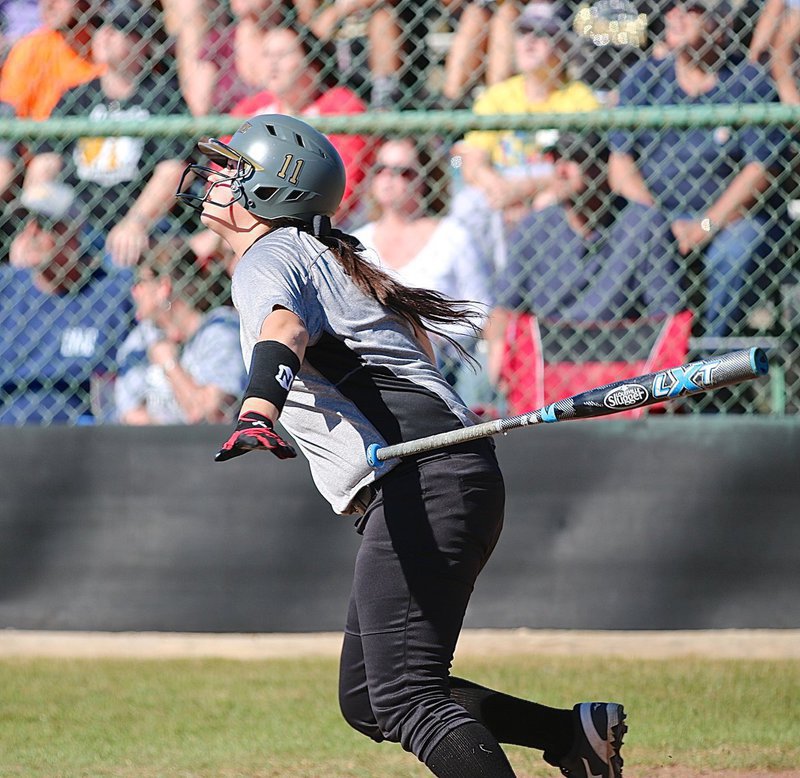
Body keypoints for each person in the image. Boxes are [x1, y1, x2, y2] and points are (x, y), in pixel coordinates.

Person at [176, 112, 627, 777]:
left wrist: (258, 409)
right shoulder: (331, 255)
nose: (217, 180)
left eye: (234, 170)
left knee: (408, 695)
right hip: (440, 475)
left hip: (423, 478)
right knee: (369, 698)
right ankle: (571, 736)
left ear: (271, 190)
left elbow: (285, 328)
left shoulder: (269, 255)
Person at [608, 0, 791, 337]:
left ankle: (707, 352)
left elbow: (760, 169)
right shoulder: (644, 78)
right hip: (658, 216)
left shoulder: (748, 82)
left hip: (725, 220)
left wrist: (704, 226)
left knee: (739, 245)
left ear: (720, 24)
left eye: (690, 7)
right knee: (634, 231)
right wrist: (662, 223)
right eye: (669, 6)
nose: (674, 15)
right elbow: (620, 167)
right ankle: (658, 348)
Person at [20, 0, 193, 268]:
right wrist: (35, 225)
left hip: (134, 220)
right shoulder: (76, 97)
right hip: (73, 224)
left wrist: (136, 222)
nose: (105, 34)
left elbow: (173, 169)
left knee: (129, 252)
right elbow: (45, 163)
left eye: (120, 27)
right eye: (100, 26)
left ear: (143, 44)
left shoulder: (163, 97)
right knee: (26, 255)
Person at [451, 2, 599, 270]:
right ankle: (479, 299)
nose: (529, 41)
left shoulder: (580, 99)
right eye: (524, 32)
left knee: (548, 202)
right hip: (500, 193)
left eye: (543, 34)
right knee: (468, 204)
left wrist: (520, 190)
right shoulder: (498, 95)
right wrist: (502, 191)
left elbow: (577, 175)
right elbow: (472, 163)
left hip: (546, 194)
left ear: (564, 46)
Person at [352, 136, 493, 405]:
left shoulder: (452, 235)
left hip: (443, 361)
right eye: (381, 169)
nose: (389, 178)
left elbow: (481, 311)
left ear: (424, 180)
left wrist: (431, 335)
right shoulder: (358, 243)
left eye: (403, 172)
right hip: (375, 360)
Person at [0, 181, 133, 424]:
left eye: (42, 224)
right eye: (25, 223)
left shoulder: (111, 293)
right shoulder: (6, 287)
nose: (30, 233)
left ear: (73, 232)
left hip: (80, 430)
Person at [232, 23, 371, 225]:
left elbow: (347, 185)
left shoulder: (341, 106)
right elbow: (223, 171)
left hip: (331, 226)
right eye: (267, 54)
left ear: (313, 63)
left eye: (282, 54)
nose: (272, 63)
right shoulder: (251, 109)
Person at [115, 239, 246, 424]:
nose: (134, 291)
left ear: (163, 287)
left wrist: (170, 365)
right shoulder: (140, 338)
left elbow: (214, 414)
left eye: (141, 282)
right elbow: (131, 416)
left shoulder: (221, 331)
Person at [0, 0, 102, 119]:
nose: (48, 4)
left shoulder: (114, 45)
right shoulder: (32, 47)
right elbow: (9, 111)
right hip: (40, 135)